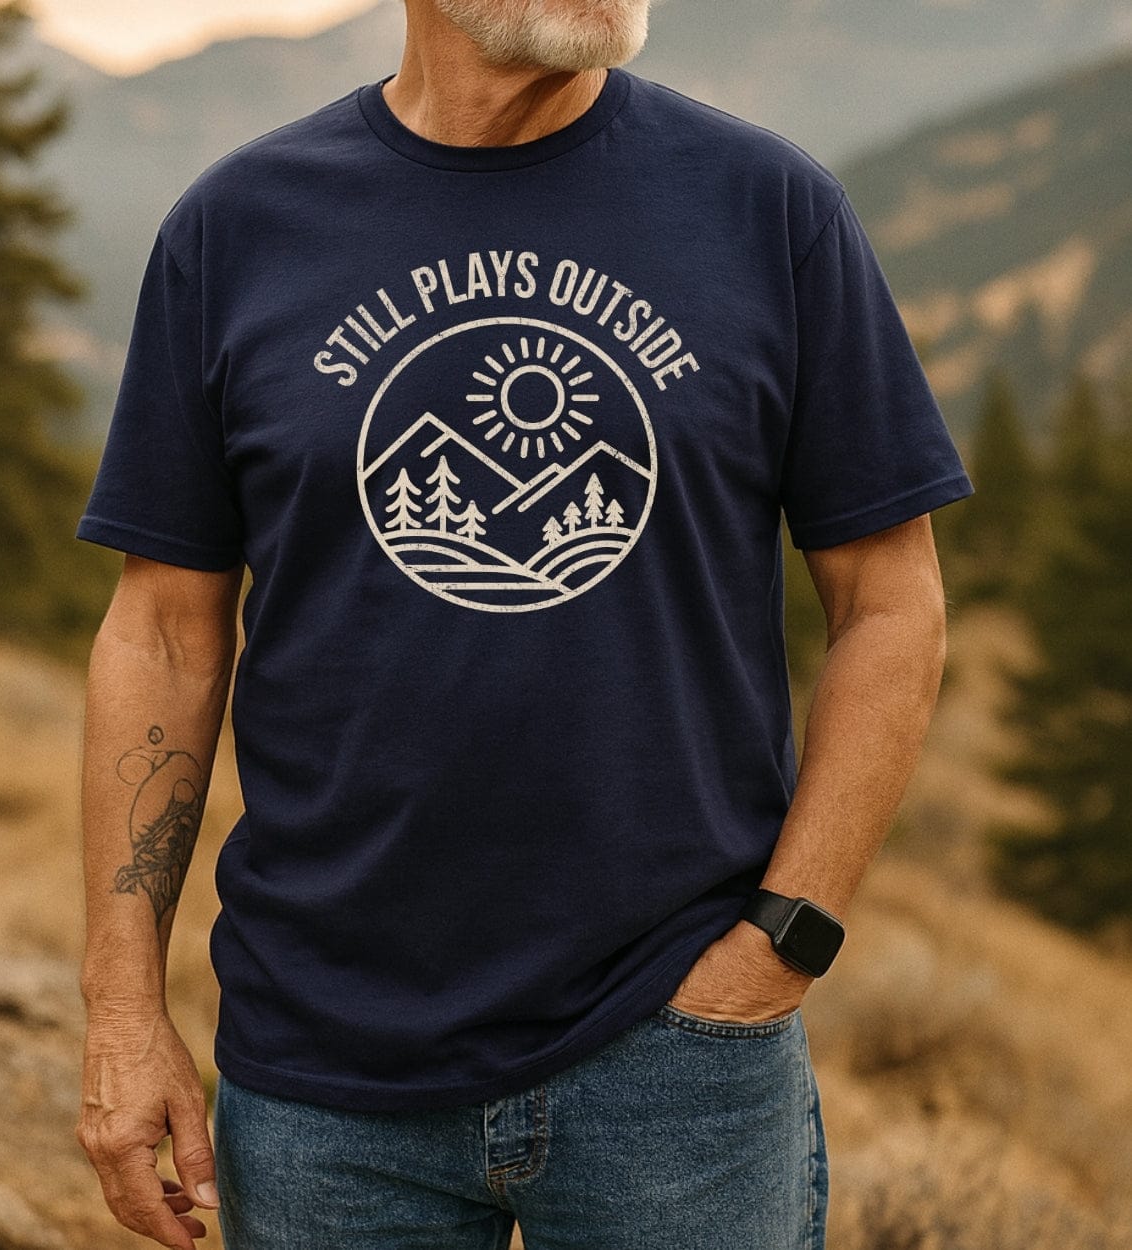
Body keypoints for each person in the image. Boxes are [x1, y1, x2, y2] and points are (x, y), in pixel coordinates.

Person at [73, 0, 973, 1246]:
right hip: (319, 1075)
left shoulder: (769, 209)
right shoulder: (236, 229)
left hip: (677, 1053)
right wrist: (122, 1010)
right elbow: (162, 629)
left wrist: (780, 943)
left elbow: (889, 599)